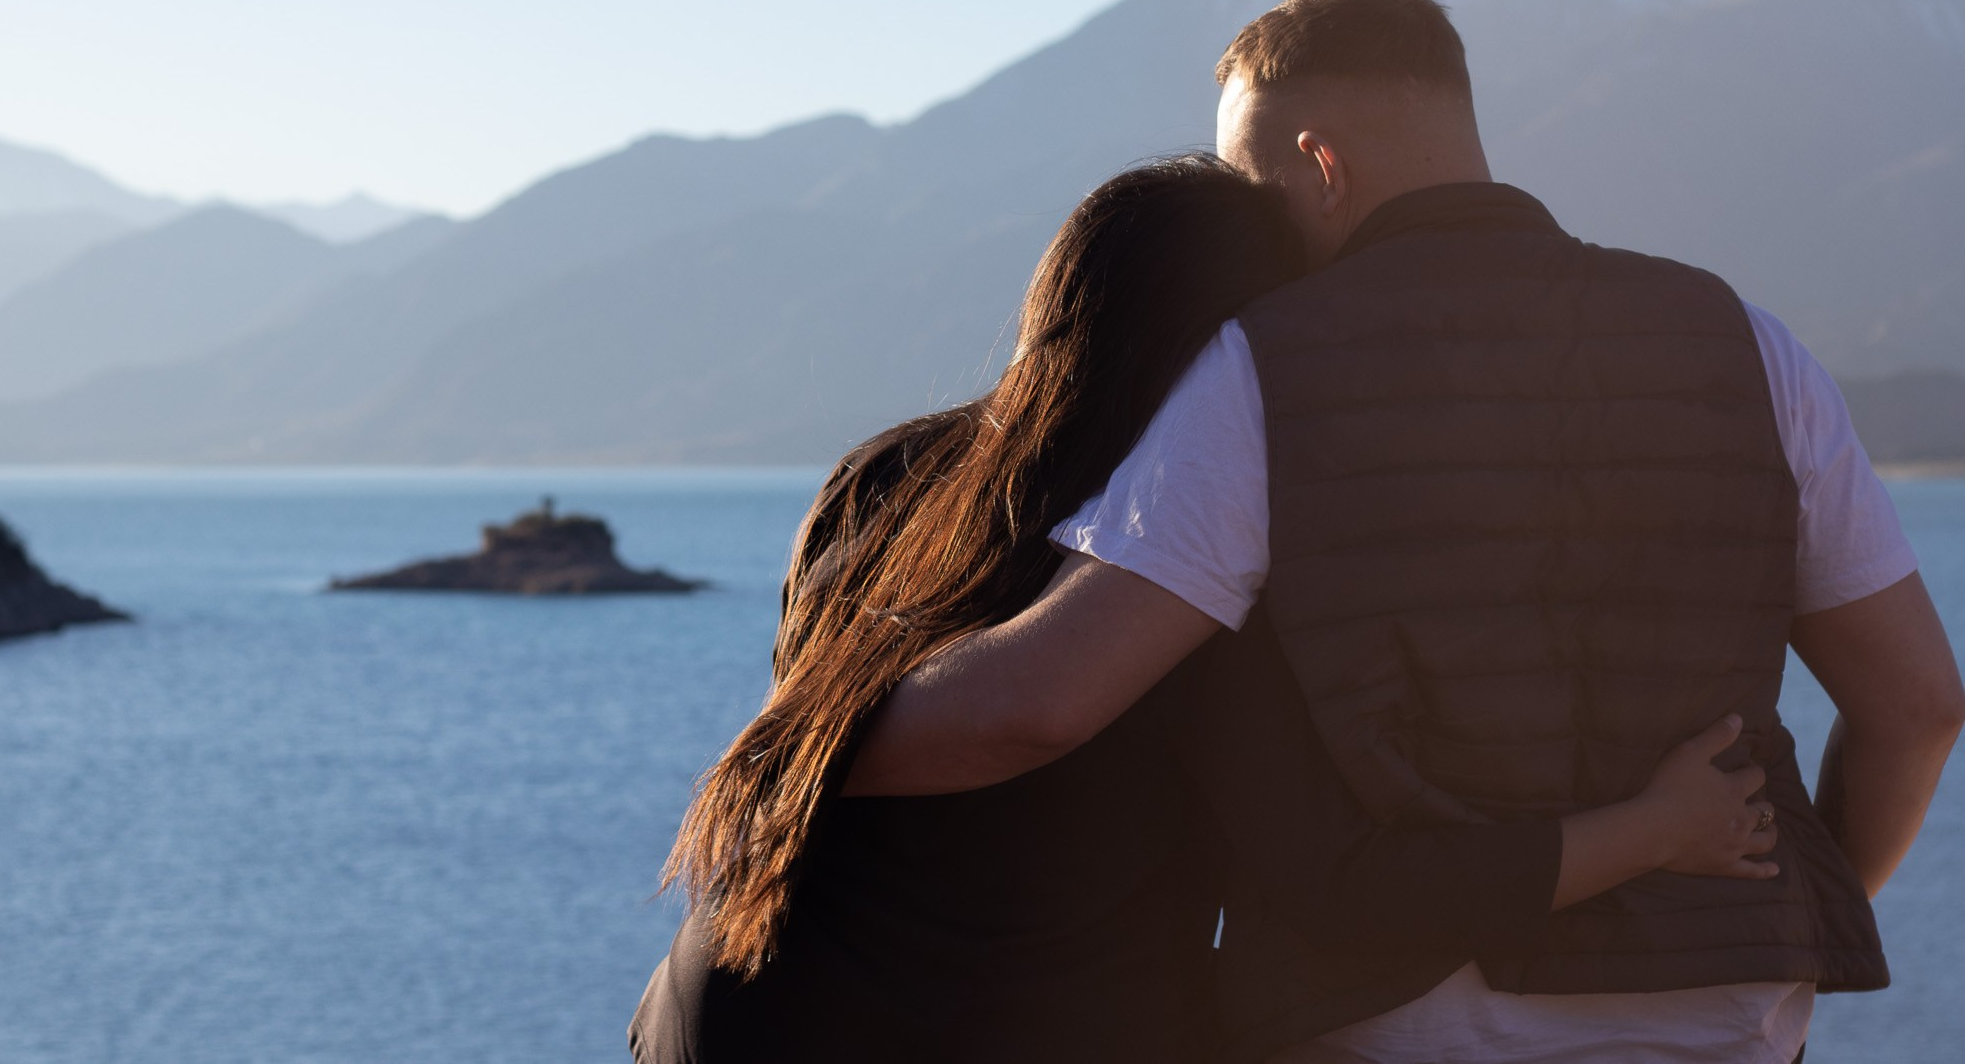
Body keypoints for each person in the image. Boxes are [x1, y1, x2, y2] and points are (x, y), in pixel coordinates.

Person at [849, 0, 1965, 1063]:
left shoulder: (1268, 366)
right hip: (1731, 1010)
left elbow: (1038, 704)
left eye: (1253, 188)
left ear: (1318, 166)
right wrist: (1767, 922)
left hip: (1400, 1017)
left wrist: (796, 762)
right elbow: (1917, 706)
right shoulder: (1746, 344)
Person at [632, 155, 1779, 1064]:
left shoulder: (878, 478)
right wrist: (1654, 830)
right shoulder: (1188, 565)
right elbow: (1344, 883)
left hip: (724, 1006)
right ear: (1248, 340)